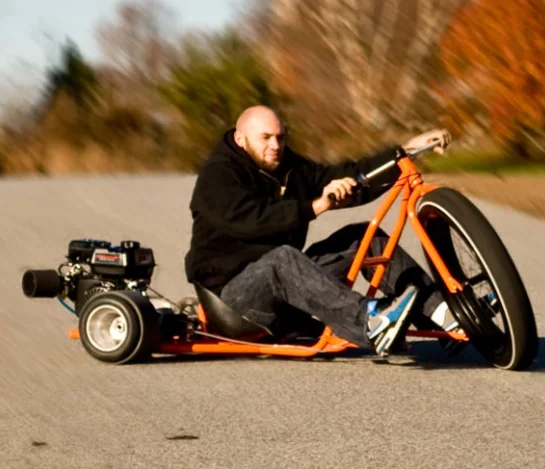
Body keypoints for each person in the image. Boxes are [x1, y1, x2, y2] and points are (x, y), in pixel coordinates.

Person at [184, 105, 459, 356]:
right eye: (265, 138)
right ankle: (371, 322)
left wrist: (403, 153)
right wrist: (315, 206)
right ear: (240, 139)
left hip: (285, 283)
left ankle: (444, 315)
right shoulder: (218, 175)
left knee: (362, 236)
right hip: (234, 300)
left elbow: (348, 176)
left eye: (280, 137)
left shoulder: (288, 167)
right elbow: (251, 220)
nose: (276, 145)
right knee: (283, 258)